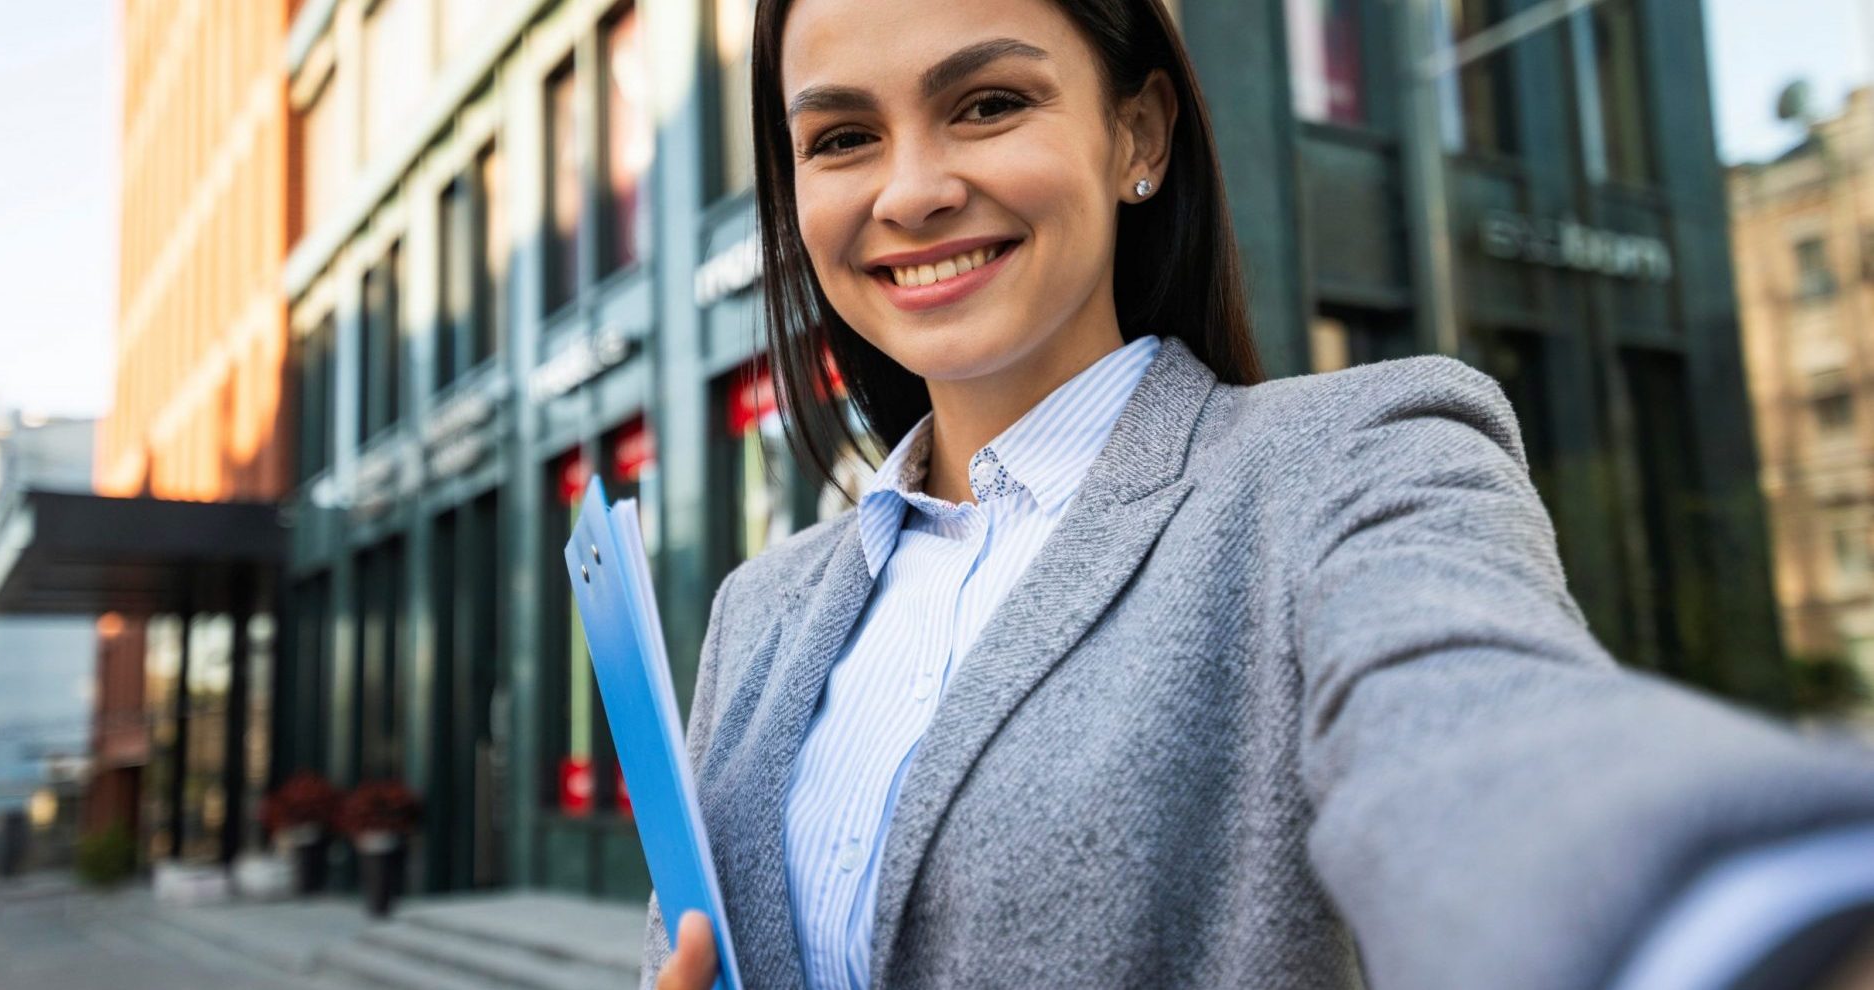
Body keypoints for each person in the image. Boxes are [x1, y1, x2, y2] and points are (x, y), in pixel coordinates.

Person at [647, 0, 1874, 987]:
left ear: (1140, 136)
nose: (908, 190)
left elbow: (1471, 718)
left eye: (988, 103)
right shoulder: (760, 614)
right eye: (842, 137)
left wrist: (1724, 908)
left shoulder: (1353, 461)